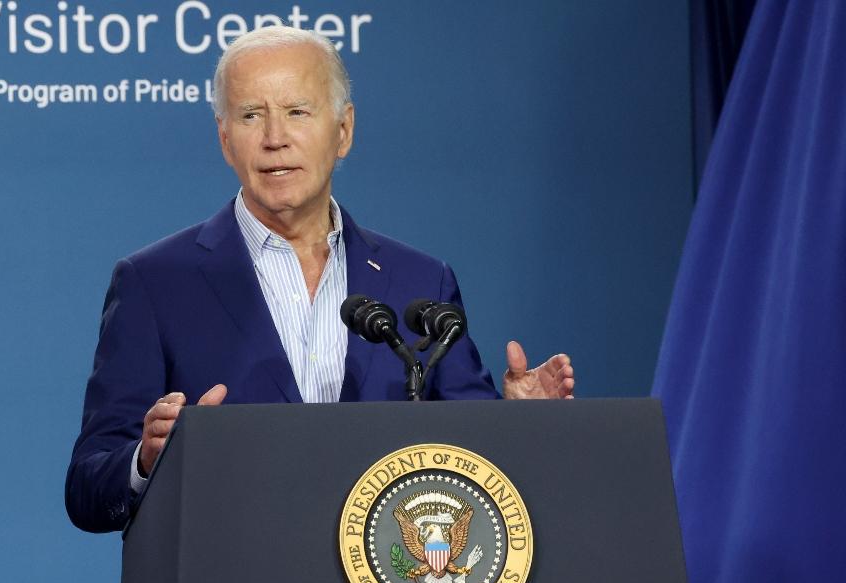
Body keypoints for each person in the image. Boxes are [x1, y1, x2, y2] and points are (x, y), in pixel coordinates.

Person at [65, 26, 575, 533]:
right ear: (225, 138)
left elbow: (470, 463)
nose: (274, 138)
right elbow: (88, 489)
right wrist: (145, 460)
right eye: (250, 115)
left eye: (296, 112)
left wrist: (519, 427)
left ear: (344, 130)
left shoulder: (420, 281)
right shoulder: (155, 282)